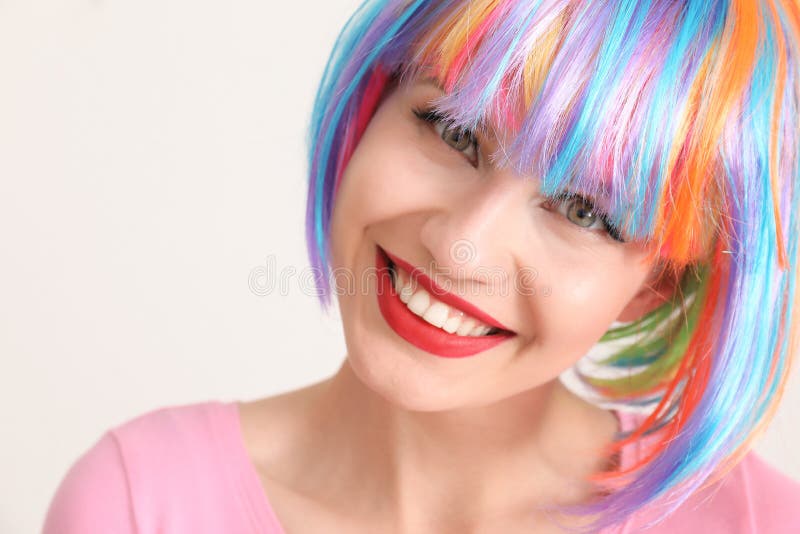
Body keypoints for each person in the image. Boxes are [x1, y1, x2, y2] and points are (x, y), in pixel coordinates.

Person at [42, 0, 800, 532]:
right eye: (452, 130)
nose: (461, 243)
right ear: (374, 102)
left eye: (583, 211)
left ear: (654, 285)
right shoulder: (138, 506)